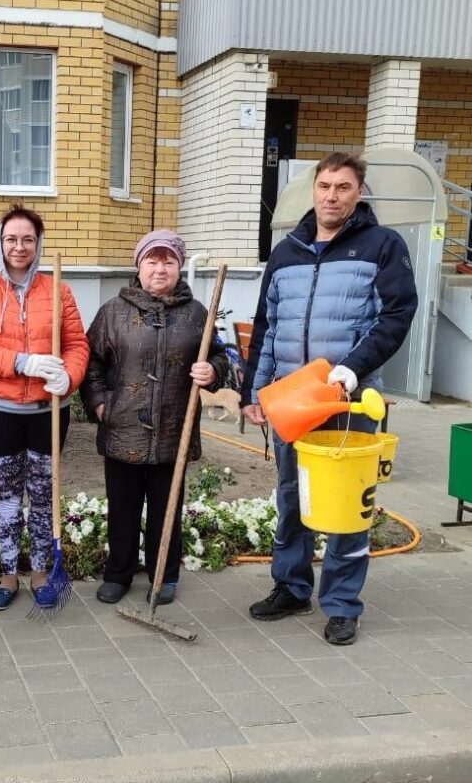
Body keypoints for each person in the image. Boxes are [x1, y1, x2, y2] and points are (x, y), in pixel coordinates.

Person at [241, 152, 418, 646]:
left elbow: (397, 313)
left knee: (344, 506)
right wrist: (254, 392)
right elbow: (266, 328)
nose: (332, 195)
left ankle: (341, 604)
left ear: (358, 192)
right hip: (291, 401)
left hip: (347, 403)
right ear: (313, 191)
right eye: (324, 186)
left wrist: (353, 368)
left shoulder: (382, 245)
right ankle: (292, 587)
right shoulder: (288, 251)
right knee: (291, 498)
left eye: (343, 187)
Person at [81, 229, 228, 607]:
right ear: (139, 266)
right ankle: (119, 574)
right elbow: (91, 363)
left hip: (172, 431)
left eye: (168, 260)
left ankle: (164, 574)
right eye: (152, 260)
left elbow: (223, 359)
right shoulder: (113, 312)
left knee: (167, 511)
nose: (159, 268)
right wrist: (100, 404)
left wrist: (211, 371)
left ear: (179, 267)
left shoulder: (197, 315)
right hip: (122, 429)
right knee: (123, 509)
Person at [0, 204, 90, 611]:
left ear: (38, 244)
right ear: (0, 242)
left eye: (28, 239)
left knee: (42, 492)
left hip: (47, 411)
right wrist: (21, 362)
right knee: (9, 496)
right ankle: (8, 573)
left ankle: (40, 572)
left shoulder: (58, 290)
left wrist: (68, 376)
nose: (19, 246)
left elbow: (76, 345)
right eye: (11, 239)